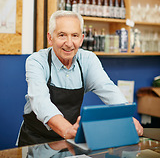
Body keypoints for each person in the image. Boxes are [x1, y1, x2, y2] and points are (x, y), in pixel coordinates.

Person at [18, 10, 143, 147]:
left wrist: (127, 118)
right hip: (35, 140)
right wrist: (67, 130)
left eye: (75, 36)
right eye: (62, 35)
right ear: (50, 38)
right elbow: (41, 102)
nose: (69, 43)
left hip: (68, 140)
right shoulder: (36, 61)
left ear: (82, 39)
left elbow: (108, 89)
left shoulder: (88, 60)